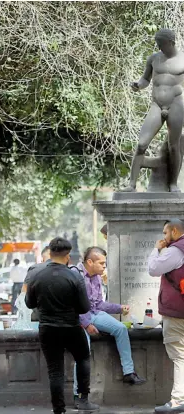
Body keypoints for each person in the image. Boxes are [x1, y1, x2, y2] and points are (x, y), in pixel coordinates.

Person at [25, 237, 99, 414]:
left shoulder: (36, 275)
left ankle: (58, 409)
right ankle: (83, 400)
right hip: (72, 327)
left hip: (48, 328)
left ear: (50, 254)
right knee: (82, 359)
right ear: (68, 256)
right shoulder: (74, 276)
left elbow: (29, 303)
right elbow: (84, 307)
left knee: (55, 370)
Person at [72, 246, 146, 406]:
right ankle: (78, 394)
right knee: (82, 350)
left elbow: (99, 304)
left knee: (120, 328)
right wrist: (86, 324)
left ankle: (129, 372)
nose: (104, 267)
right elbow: (74, 305)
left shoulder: (97, 278)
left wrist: (119, 308)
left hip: (94, 313)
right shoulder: (75, 276)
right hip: (76, 319)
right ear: (89, 262)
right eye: (102, 263)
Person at [123, 28, 184, 193]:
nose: (159, 48)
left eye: (161, 44)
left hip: (176, 104)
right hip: (156, 104)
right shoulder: (154, 59)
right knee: (142, 143)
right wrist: (138, 85)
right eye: (157, 44)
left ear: (171, 42)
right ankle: (131, 184)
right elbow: (145, 79)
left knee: (174, 146)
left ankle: (173, 184)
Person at [148, 219, 184, 413]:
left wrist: (156, 250)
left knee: (179, 356)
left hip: (177, 312)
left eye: (165, 233)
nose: (163, 237)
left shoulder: (176, 250)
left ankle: (178, 401)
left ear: (175, 231)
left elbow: (153, 269)